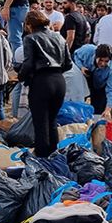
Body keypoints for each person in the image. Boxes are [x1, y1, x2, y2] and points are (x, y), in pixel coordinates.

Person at [19, 10, 71, 157]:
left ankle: (42, 158)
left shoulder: (30, 38)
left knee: (40, 123)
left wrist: (21, 76)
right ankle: (54, 156)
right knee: (52, 120)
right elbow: (69, 64)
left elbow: (28, 64)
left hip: (42, 81)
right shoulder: (59, 37)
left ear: (29, 25)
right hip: (59, 81)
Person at [73, 44, 112, 118]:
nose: (103, 64)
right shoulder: (87, 50)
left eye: (106, 61)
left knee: (98, 111)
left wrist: (108, 109)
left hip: (99, 87)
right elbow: (75, 56)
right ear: (96, 56)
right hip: (84, 79)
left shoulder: (111, 70)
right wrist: (80, 67)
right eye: (100, 60)